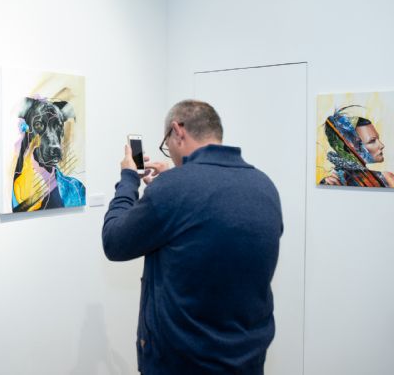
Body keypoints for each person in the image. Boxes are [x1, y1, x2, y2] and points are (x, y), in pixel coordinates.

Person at [102, 100, 283, 375]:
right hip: (246, 360)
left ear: (178, 131)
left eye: (167, 144)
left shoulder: (174, 189)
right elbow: (213, 231)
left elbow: (114, 241)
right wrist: (173, 183)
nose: (170, 153)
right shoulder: (264, 186)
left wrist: (129, 178)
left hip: (182, 363)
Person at [320, 106, 394, 187]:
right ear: (349, 148)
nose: (382, 145)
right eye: (372, 141)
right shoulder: (332, 182)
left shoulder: (387, 178)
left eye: (377, 139)